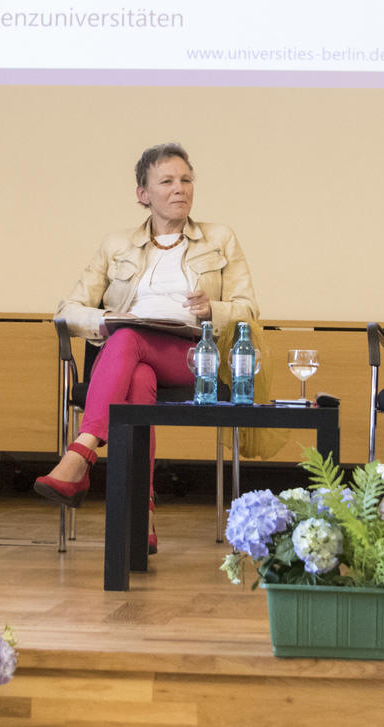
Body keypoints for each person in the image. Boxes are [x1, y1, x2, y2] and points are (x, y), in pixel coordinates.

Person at [45, 143, 257, 549]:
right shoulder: (116, 245)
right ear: (143, 194)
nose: (179, 189)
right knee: (136, 371)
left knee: (128, 341)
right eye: (166, 181)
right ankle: (141, 516)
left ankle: (82, 452)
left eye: (186, 180)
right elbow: (66, 310)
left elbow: (249, 309)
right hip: (132, 356)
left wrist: (214, 309)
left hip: (195, 357)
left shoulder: (220, 239)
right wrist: (103, 320)